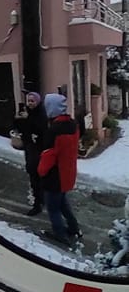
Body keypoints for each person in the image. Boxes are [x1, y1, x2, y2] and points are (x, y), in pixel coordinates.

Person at [36, 92, 83, 242]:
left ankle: (60, 235)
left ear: (52, 108)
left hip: (55, 176)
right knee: (62, 203)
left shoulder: (54, 130)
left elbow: (48, 155)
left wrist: (41, 172)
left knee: (53, 208)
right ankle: (74, 228)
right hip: (68, 173)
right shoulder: (73, 125)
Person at [10, 90, 49, 214]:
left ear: (37, 102)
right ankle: (39, 200)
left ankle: (39, 203)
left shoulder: (41, 113)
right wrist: (18, 119)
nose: (30, 103)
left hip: (38, 149)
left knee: (37, 176)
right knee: (33, 175)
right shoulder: (27, 112)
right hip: (29, 147)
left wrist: (28, 119)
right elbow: (19, 128)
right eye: (29, 101)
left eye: (32, 101)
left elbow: (40, 129)